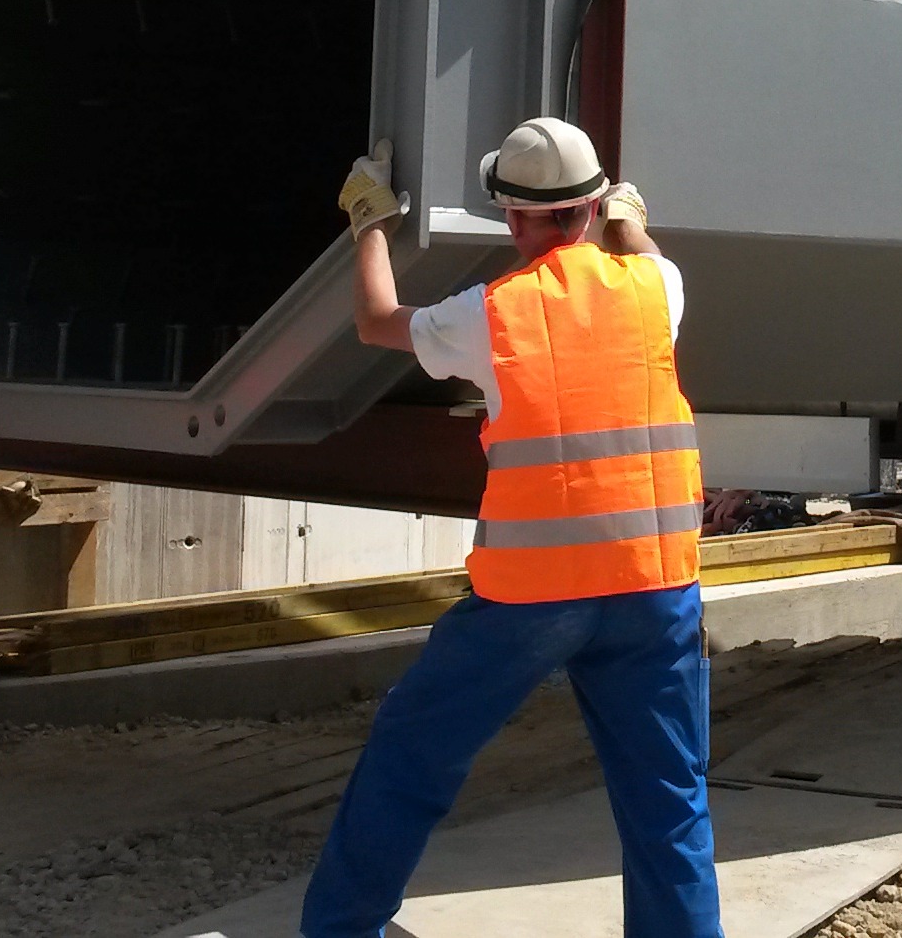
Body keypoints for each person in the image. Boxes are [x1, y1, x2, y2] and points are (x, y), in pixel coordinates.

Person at [302, 117, 717, 938]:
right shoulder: (657, 288)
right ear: (593, 206)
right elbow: (642, 246)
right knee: (670, 801)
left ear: (513, 218)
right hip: (655, 590)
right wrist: (629, 213)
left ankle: (342, 931)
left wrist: (370, 223)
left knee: (410, 757)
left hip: (533, 602)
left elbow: (377, 320)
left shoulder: (491, 315)